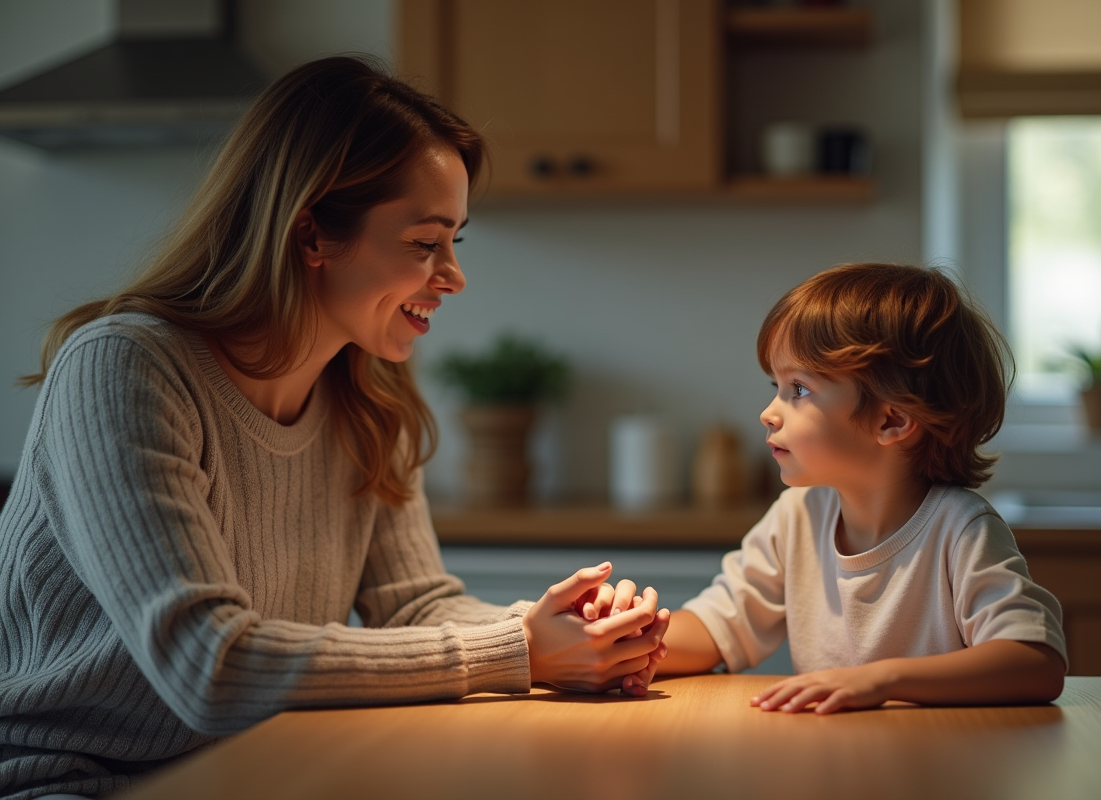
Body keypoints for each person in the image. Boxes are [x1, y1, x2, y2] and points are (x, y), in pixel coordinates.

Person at [0, 56, 666, 800]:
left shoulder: (366, 391)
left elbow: (415, 606)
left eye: (456, 242)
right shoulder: (125, 367)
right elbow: (207, 666)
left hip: (262, 770)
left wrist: (562, 627)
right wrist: (520, 648)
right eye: (423, 243)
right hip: (78, 783)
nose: (452, 276)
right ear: (311, 232)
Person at [621, 263, 1067, 711]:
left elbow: (1035, 660)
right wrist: (627, 638)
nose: (768, 413)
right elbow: (718, 627)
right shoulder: (797, 515)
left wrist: (882, 680)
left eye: (798, 389)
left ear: (890, 420)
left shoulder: (961, 529)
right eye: (776, 386)